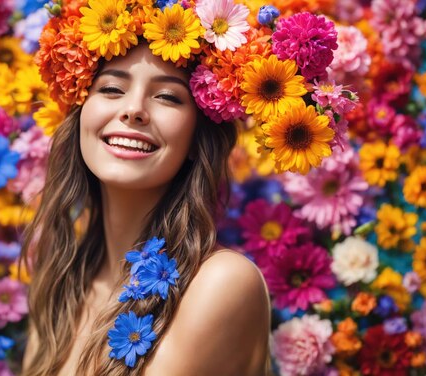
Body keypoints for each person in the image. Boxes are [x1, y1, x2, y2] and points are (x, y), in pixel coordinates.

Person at [21, 2, 271, 375]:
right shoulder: (62, 285)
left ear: (196, 140)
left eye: (167, 96)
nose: (133, 109)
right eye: (111, 88)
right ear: (79, 116)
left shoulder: (221, 283)